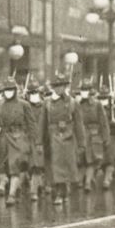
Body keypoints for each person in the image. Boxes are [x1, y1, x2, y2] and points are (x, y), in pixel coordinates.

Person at [42, 74, 81, 205]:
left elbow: (79, 124)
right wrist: (38, 142)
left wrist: (82, 143)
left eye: (62, 86)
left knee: (67, 165)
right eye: (56, 86)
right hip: (52, 137)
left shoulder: (72, 102)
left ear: (65, 86)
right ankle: (58, 192)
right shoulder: (47, 103)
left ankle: (64, 190)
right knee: (56, 165)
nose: (59, 89)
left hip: (68, 136)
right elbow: (42, 123)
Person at [0, 79, 31, 205]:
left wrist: (30, 141)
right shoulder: (0, 105)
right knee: (3, 164)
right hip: (4, 136)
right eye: (6, 90)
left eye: (11, 90)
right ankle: (6, 185)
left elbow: (31, 124)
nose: (8, 92)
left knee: (15, 164)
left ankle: (11, 194)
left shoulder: (24, 104)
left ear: (15, 91)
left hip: (18, 136)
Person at [76, 81, 110, 191]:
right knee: (81, 160)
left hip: (94, 135)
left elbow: (103, 122)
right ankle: (83, 180)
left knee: (91, 160)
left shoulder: (97, 104)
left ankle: (87, 183)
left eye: (86, 90)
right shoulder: (77, 104)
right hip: (81, 134)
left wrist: (106, 137)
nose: (84, 93)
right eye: (82, 90)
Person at [24, 82, 47, 201]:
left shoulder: (45, 106)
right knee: (31, 166)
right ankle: (38, 186)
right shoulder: (25, 106)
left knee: (38, 165)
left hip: (42, 139)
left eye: (35, 92)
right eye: (31, 93)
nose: (34, 95)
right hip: (28, 138)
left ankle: (34, 191)